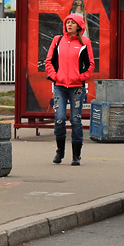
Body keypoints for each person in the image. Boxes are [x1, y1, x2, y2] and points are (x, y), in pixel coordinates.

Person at [45, 13, 94, 166]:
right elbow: (48, 61)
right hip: (59, 86)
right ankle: (60, 151)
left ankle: (76, 155)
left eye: (73, 23)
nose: (69, 25)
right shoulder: (57, 40)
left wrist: (80, 77)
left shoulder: (85, 42)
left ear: (79, 26)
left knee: (75, 119)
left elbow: (90, 64)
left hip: (77, 88)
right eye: (67, 22)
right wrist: (55, 76)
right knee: (59, 119)